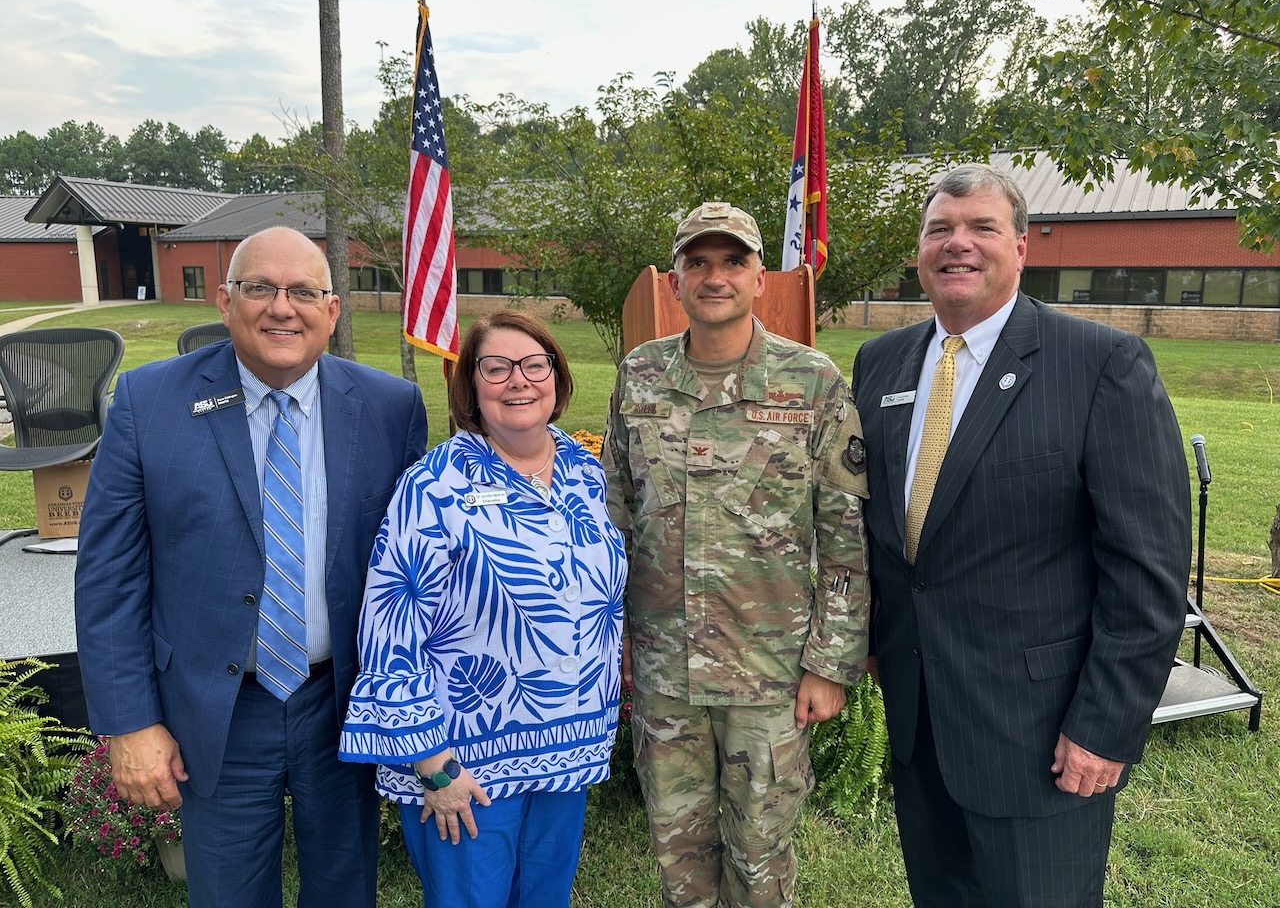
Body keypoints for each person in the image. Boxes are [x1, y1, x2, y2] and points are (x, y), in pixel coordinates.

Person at [851, 163, 1191, 907]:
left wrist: (1106, 725)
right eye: (939, 229)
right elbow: (880, 531)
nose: (957, 245)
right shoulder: (880, 363)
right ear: (919, 249)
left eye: (981, 228)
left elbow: (1149, 569)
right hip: (922, 722)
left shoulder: (1101, 364)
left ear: (1023, 245)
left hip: (1040, 734)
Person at [74, 225, 427, 908]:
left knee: (344, 891)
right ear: (226, 301)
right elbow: (109, 578)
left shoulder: (390, 407)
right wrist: (129, 723)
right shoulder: (149, 404)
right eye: (259, 288)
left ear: (332, 310)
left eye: (302, 291)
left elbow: (415, 568)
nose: (280, 307)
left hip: (342, 706)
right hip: (220, 710)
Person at [602, 201, 869, 908]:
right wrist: (614, 644)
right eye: (698, 262)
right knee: (679, 854)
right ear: (675, 282)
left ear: (759, 277)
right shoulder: (640, 376)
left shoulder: (812, 381)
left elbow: (844, 535)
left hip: (770, 673)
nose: (714, 276)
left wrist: (830, 663)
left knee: (759, 860)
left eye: (732, 262)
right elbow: (616, 515)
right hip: (664, 671)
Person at [339, 309, 626, 908]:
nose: (518, 380)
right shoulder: (435, 485)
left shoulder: (586, 472)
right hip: (465, 766)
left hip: (568, 752)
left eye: (533, 365)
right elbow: (391, 626)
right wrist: (434, 766)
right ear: (471, 387)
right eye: (495, 369)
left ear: (557, 377)